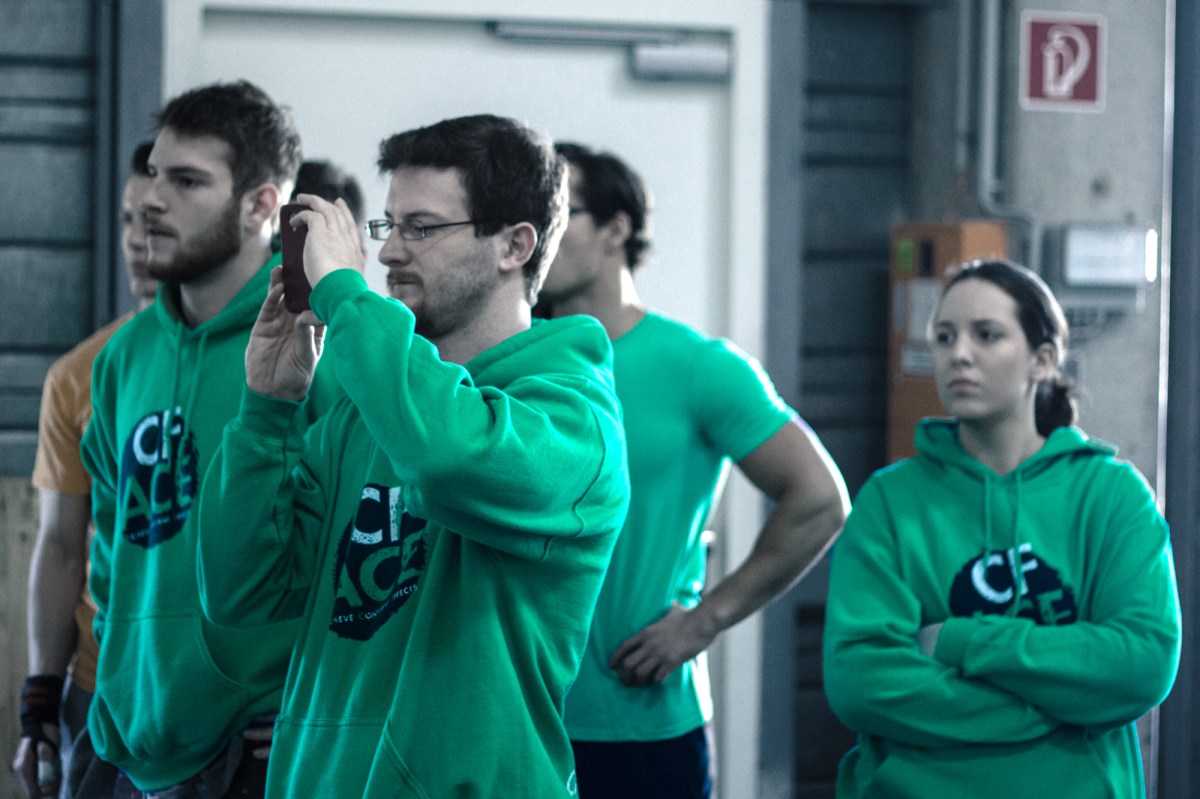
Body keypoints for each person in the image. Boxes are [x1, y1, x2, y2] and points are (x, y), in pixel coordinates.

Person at [194, 114, 629, 798]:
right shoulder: (366, 413)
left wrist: (345, 294)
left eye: (421, 228)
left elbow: (445, 459)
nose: (390, 252)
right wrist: (266, 411)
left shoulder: (576, 422)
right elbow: (239, 590)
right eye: (388, 225)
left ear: (514, 245)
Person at [535, 142, 849, 798]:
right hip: (514, 717)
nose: (535, 237)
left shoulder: (698, 366)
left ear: (616, 230)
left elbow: (820, 498)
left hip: (638, 723)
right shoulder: (513, 361)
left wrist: (703, 621)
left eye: (558, 216)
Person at [822, 260, 1181, 798]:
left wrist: (961, 640)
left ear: (1043, 360)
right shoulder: (890, 502)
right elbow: (860, 681)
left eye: (986, 335)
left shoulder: (1112, 495)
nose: (959, 354)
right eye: (945, 337)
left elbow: (1142, 662)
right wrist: (1053, 707)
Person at [79, 80, 338, 798]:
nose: (151, 199)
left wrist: (316, 694)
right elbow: (111, 544)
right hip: (130, 738)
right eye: (154, 173)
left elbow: (361, 546)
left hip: (256, 749)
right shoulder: (122, 357)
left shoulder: (322, 349)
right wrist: (119, 673)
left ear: (261, 205)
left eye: (187, 181)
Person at [13, 142, 158, 799]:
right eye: (128, 218)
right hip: (101, 689)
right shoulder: (79, 375)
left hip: (224, 703)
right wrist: (40, 702)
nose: (136, 238)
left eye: (155, 218)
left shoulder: (270, 366)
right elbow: (61, 546)